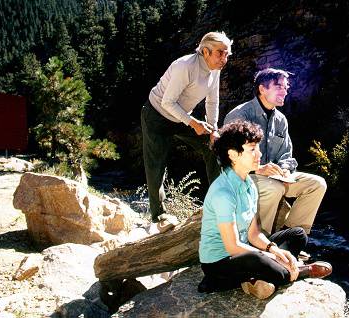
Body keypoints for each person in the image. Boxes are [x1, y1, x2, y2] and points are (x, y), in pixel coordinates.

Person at [198, 120, 332, 299]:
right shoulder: (224, 192)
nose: (259, 154)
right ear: (232, 154)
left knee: (298, 234)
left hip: (243, 251)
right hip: (220, 261)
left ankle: (257, 280)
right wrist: (269, 256)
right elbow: (232, 246)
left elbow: (253, 233)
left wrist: (273, 249)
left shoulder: (248, 185)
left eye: (258, 148)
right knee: (260, 259)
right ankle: (298, 271)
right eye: (252, 149)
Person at [224, 68, 327, 237]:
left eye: (286, 87)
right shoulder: (240, 115)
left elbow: (287, 155)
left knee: (317, 184)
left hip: (274, 177)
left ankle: (290, 237)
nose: (285, 91)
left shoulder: (281, 120)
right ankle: (257, 240)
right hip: (243, 177)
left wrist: (285, 169)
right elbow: (228, 156)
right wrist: (258, 169)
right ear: (262, 89)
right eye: (279, 86)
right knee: (275, 188)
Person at [141, 31, 232, 224]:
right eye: (220, 53)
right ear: (205, 51)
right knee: (156, 165)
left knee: (213, 146)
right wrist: (192, 122)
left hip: (181, 115)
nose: (224, 58)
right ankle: (159, 216)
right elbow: (167, 102)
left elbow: (213, 101)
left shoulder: (215, 68)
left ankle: (219, 202)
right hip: (156, 115)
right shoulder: (185, 66)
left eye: (226, 54)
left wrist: (214, 129)